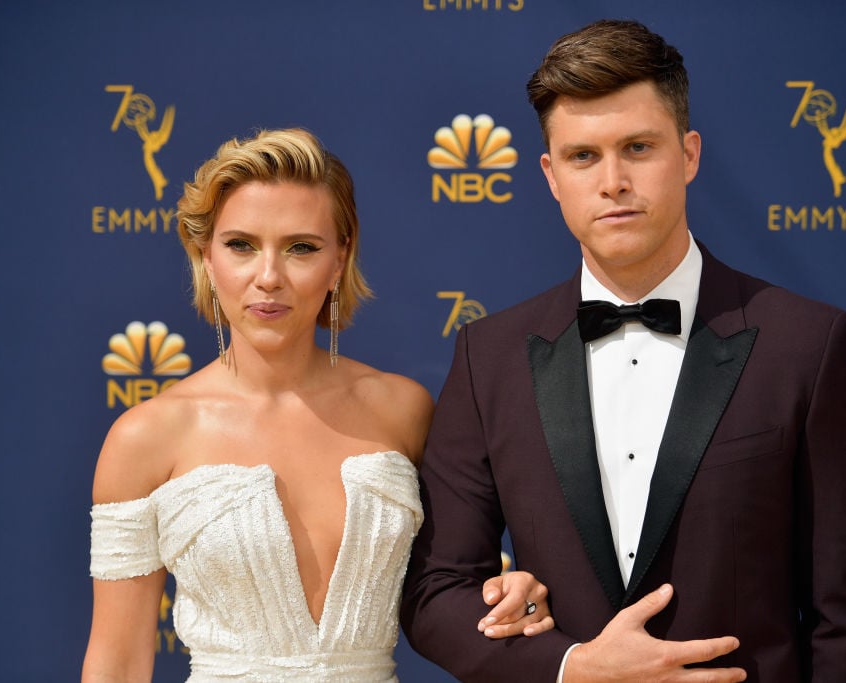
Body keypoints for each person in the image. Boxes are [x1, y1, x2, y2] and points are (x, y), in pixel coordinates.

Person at [401, 19, 846, 682]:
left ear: (688, 154)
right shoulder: (488, 357)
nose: (613, 181)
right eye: (583, 156)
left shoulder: (807, 345)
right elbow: (436, 593)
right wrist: (570, 665)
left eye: (637, 147)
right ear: (550, 174)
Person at [81, 128, 553, 683]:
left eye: (301, 247)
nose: (268, 277)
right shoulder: (145, 437)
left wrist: (510, 592)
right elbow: (117, 664)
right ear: (206, 257)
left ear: (339, 260)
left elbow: (451, 584)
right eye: (241, 245)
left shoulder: (404, 411)